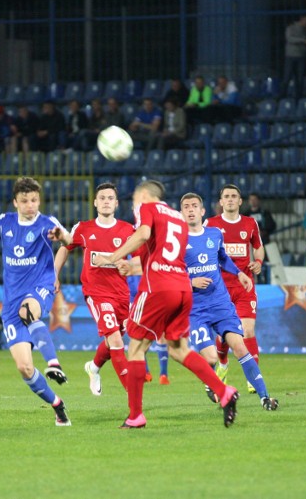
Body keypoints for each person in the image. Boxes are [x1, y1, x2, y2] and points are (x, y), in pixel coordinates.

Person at [94, 180, 239, 429]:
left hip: (157, 289)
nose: (133, 207)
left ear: (143, 196)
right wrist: (132, 266)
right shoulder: (178, 220)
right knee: (178, 349)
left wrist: (113, 256)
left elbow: (143, 234)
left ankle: (135, 416)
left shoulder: (148, 209)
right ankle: (223, 391)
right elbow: (166, 257)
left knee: (136, 349)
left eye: (134, 201)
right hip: (182, 288)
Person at [0, 177, 72, 426]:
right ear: (15, 202)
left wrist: (62, 236)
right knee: (25, 368)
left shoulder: (47, 223)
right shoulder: (4, 222)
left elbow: (71, 241)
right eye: (24, 201)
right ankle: (57, 405)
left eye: (34, 200)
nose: (30, 205)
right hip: (11, 305)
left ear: (39, 200)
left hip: (40, 289)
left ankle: (54, 363)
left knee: (28, 310)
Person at [180, 192, 279, 411]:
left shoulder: (214, 234)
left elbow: (223, 258)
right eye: (186, 206)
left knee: (240, 347)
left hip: (220, 304)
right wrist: (190, 281)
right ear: (181, 212)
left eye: (194, 205)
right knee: (211, 357)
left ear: (203, 211)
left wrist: (239, 273)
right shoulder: (177, 241)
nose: (190, 209)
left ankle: (264, 397)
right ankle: (211, 381)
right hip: (196, 310)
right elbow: (170, 274)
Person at [53, 183, 133, 396]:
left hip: (122, 295)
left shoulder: (128, 230)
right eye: (102, 198)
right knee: (115, 339)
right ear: (95, 202)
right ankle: (134, 400)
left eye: (110, 198)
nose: (106, 201)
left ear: (116, 203)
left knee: (113, 339)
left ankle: (94, 367)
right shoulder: (83, 228)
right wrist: (55, 274)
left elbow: (142, 258)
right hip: (96, 293)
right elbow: (65, 248)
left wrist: (131, 267)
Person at [205, 184, 264, 394]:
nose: (230, 199)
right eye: (226, 196)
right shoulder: (210, 224)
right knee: (223, 335)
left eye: (234, 196)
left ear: (240, 201)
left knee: (248, 330)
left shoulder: (250, 223)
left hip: (244, 285)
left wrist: (258, 261)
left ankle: (252, 376)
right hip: (219, 289)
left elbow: (258, 246)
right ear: (221, 202)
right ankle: (222, 364)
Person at [280, 14, 306, 99]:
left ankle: (299, 98)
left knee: (300, 79)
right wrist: (302, 40)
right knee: (287, 77)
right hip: (291, 56)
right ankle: (282, 97)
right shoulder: (291, 27)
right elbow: (289, 38)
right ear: (302, 19)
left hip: (301, 56)